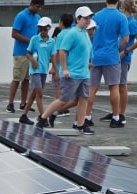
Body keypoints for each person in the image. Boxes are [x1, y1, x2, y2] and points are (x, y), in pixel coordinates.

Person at [37, 6, 94, 135]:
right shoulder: (72, 33)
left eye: (89, 18)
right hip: (72, 74)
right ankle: (43, 118)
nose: (88, 20)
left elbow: (81, 52)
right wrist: (64, 69)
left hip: (84, 73)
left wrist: (88, 64)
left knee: (83, 99)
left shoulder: (85, 33)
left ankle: (80, 125)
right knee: (64, 99)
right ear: (78, 19)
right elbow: (62, 51)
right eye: (85, 18)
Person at [84, 0, 128, 128]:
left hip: (95, 55)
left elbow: (89, 35)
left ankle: (87, 116)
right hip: (112, 57)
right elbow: (125, 39)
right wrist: (117, 50)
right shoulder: (121, 17)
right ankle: (115, 118)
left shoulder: (96, 16)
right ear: (118, 1)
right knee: (114, 87)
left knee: (92, 88)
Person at [102, 0, 137, 125]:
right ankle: (116, 112)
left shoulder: (132, 22)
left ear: (125, 7)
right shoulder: (123, 20)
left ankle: (121, 114)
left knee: (122, 85)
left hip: (124, 58)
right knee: (116, 85)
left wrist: (126, 51)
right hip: (116, 57)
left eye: (122, 6)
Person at [6, 0, 44, 114]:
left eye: (40, 7)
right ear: (31, 5)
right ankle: (10, 103)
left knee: (27, 80)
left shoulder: (38, 17)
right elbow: (14, 34)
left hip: (32, 54)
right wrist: (31, 41)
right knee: (17, 79)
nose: (39, 9)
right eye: (37, 6)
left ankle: (23, 104)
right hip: (20, 53)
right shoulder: (21, 16)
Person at [19, 16, 55, 125]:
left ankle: (24, 115)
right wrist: (33, 61)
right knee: (39, 93)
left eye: (44, 29)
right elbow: (28, 53)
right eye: (41, 29)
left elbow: (53, 56)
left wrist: (54, 68)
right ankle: (43, 117)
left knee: (34, 94)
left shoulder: (51, 41)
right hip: (35, 70)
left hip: (43, 70)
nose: (42, 31)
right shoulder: (34, 39)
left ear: (49, 28)